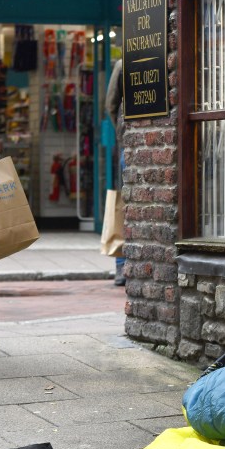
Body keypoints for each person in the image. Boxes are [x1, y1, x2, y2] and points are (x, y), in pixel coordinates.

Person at [105, 58, 125, 286]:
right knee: (124, 206)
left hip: (128, 142)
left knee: (126, 206)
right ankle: (121, 265)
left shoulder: (123, 64)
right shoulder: (121, 65)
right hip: (127, 145)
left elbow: (111, 106)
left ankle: (123, 267)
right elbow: (111, 105)